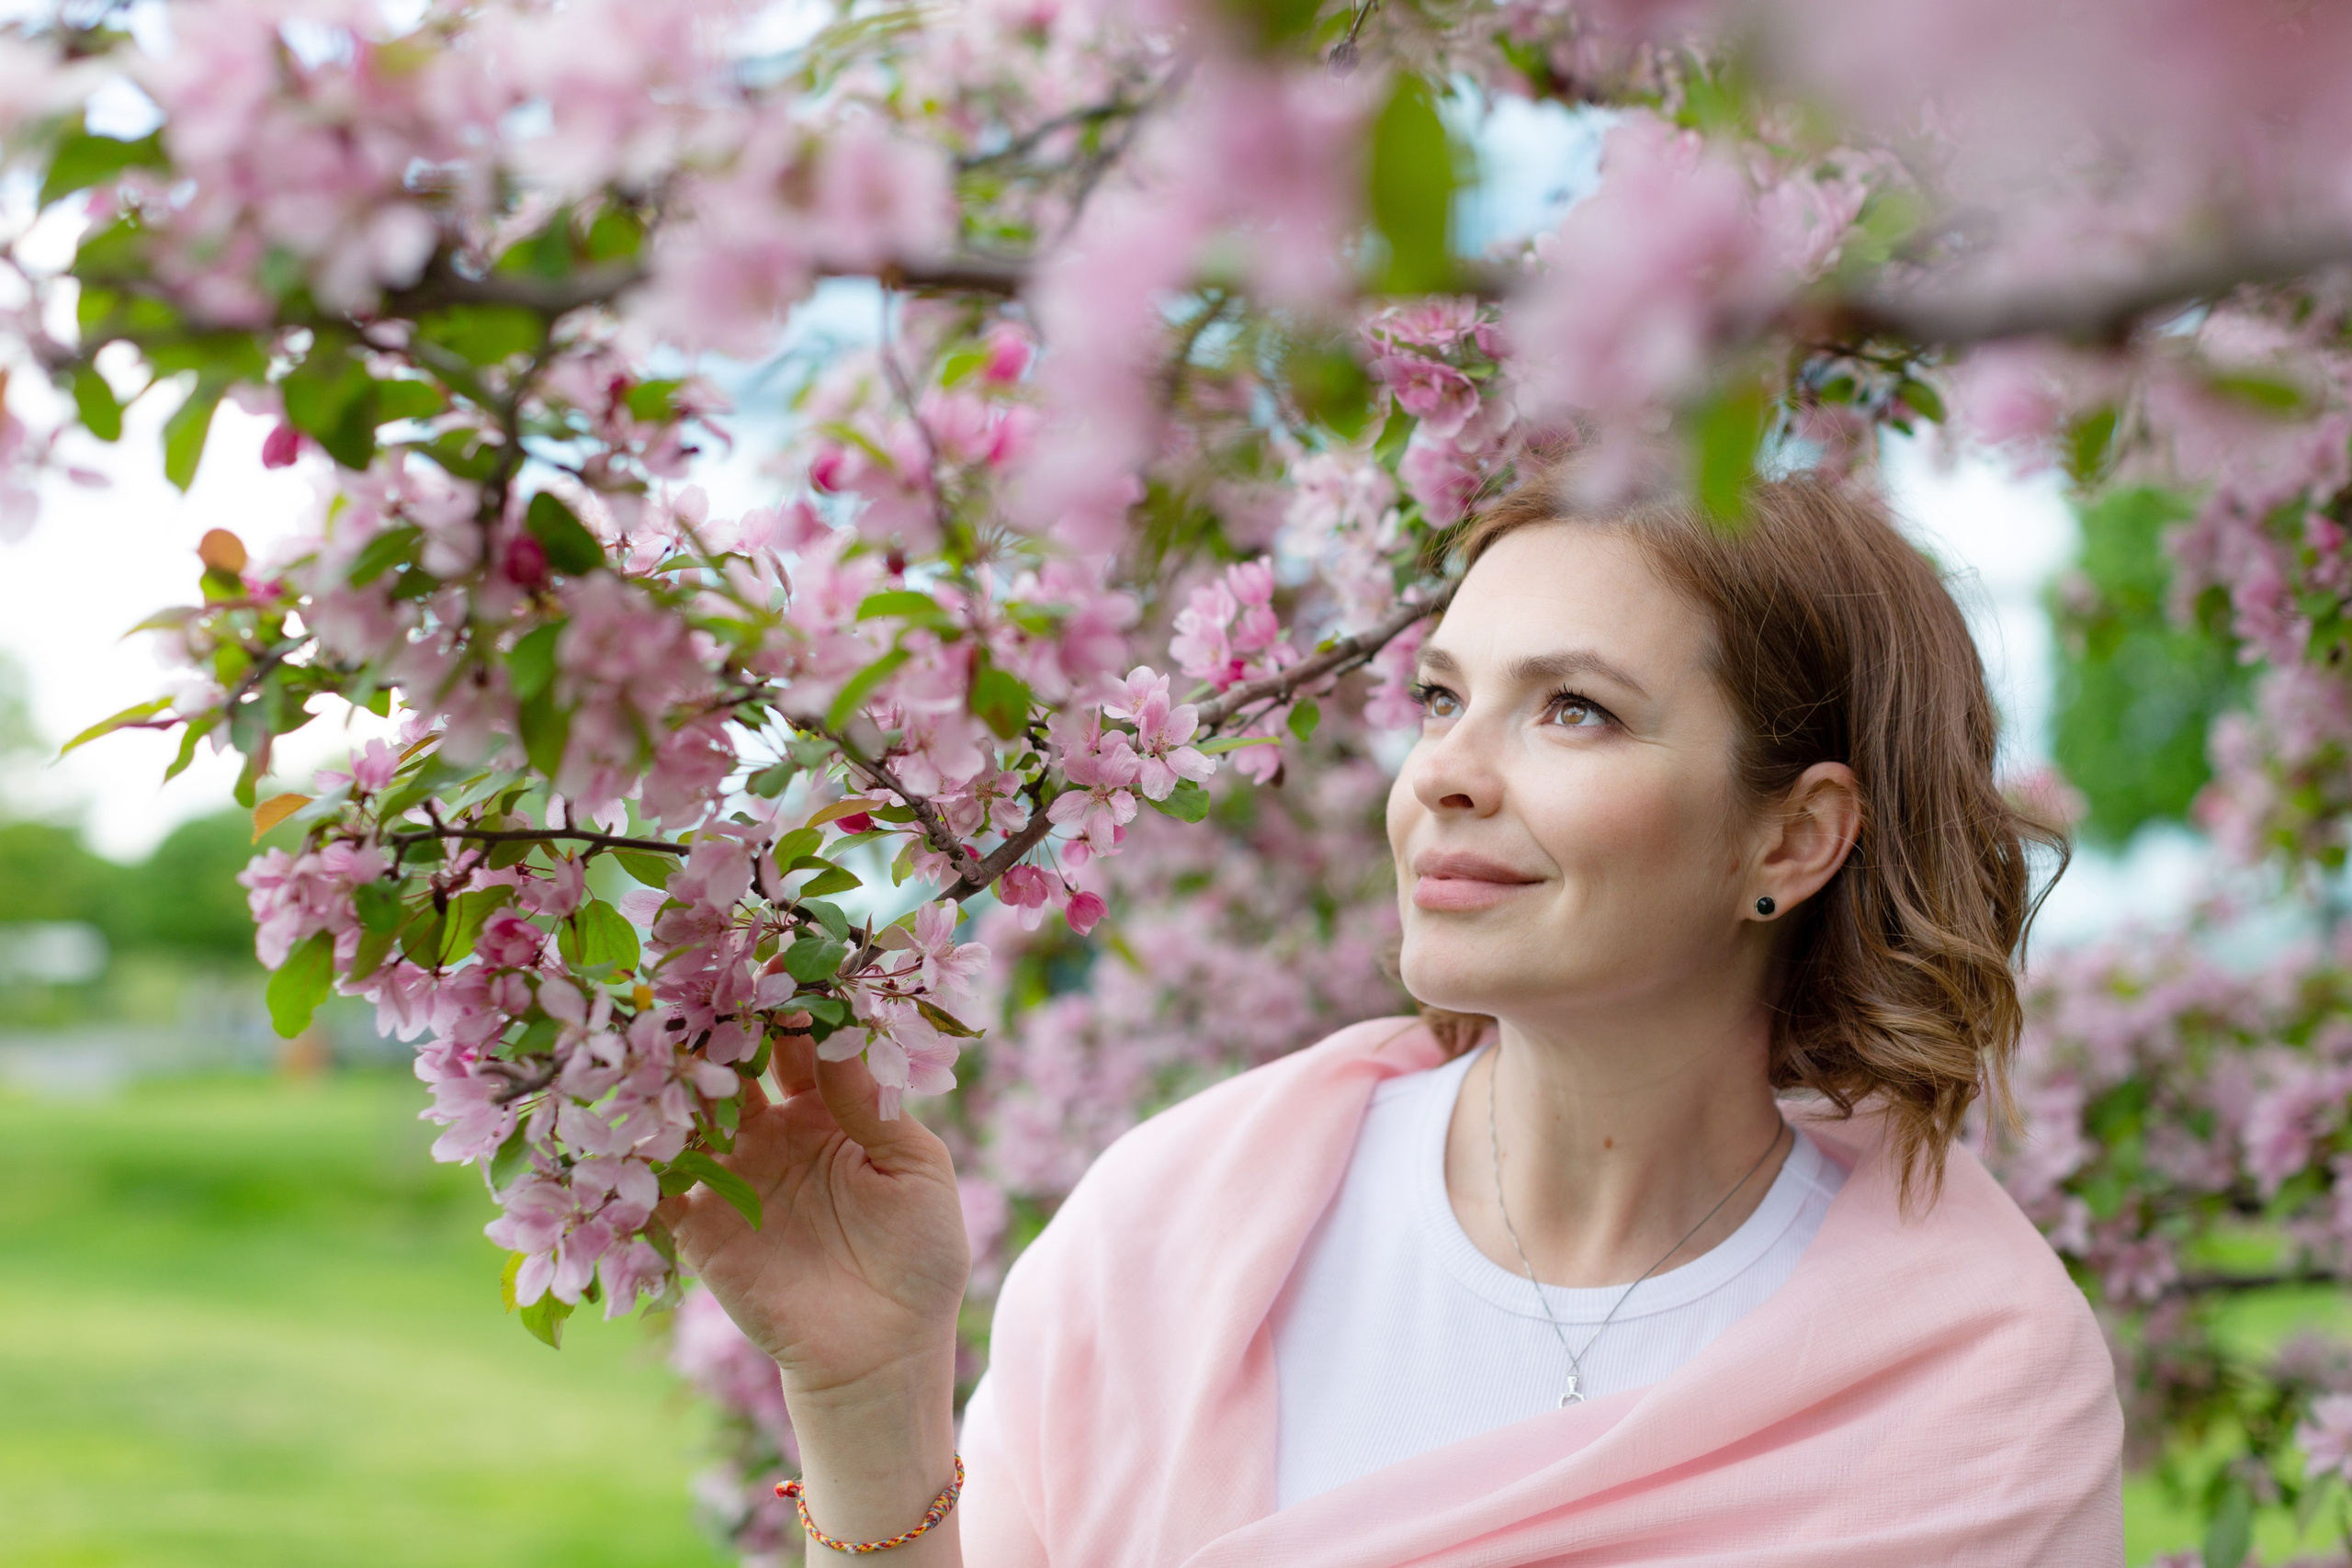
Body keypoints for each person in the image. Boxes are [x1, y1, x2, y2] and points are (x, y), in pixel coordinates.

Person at [663, 468, 2125, 1566]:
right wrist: (867, 1391)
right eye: (1439, 698)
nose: (1445, 774)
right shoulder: (1176, 1229)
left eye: (1573, 709)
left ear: (1793, 838)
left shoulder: (1970, 1382)